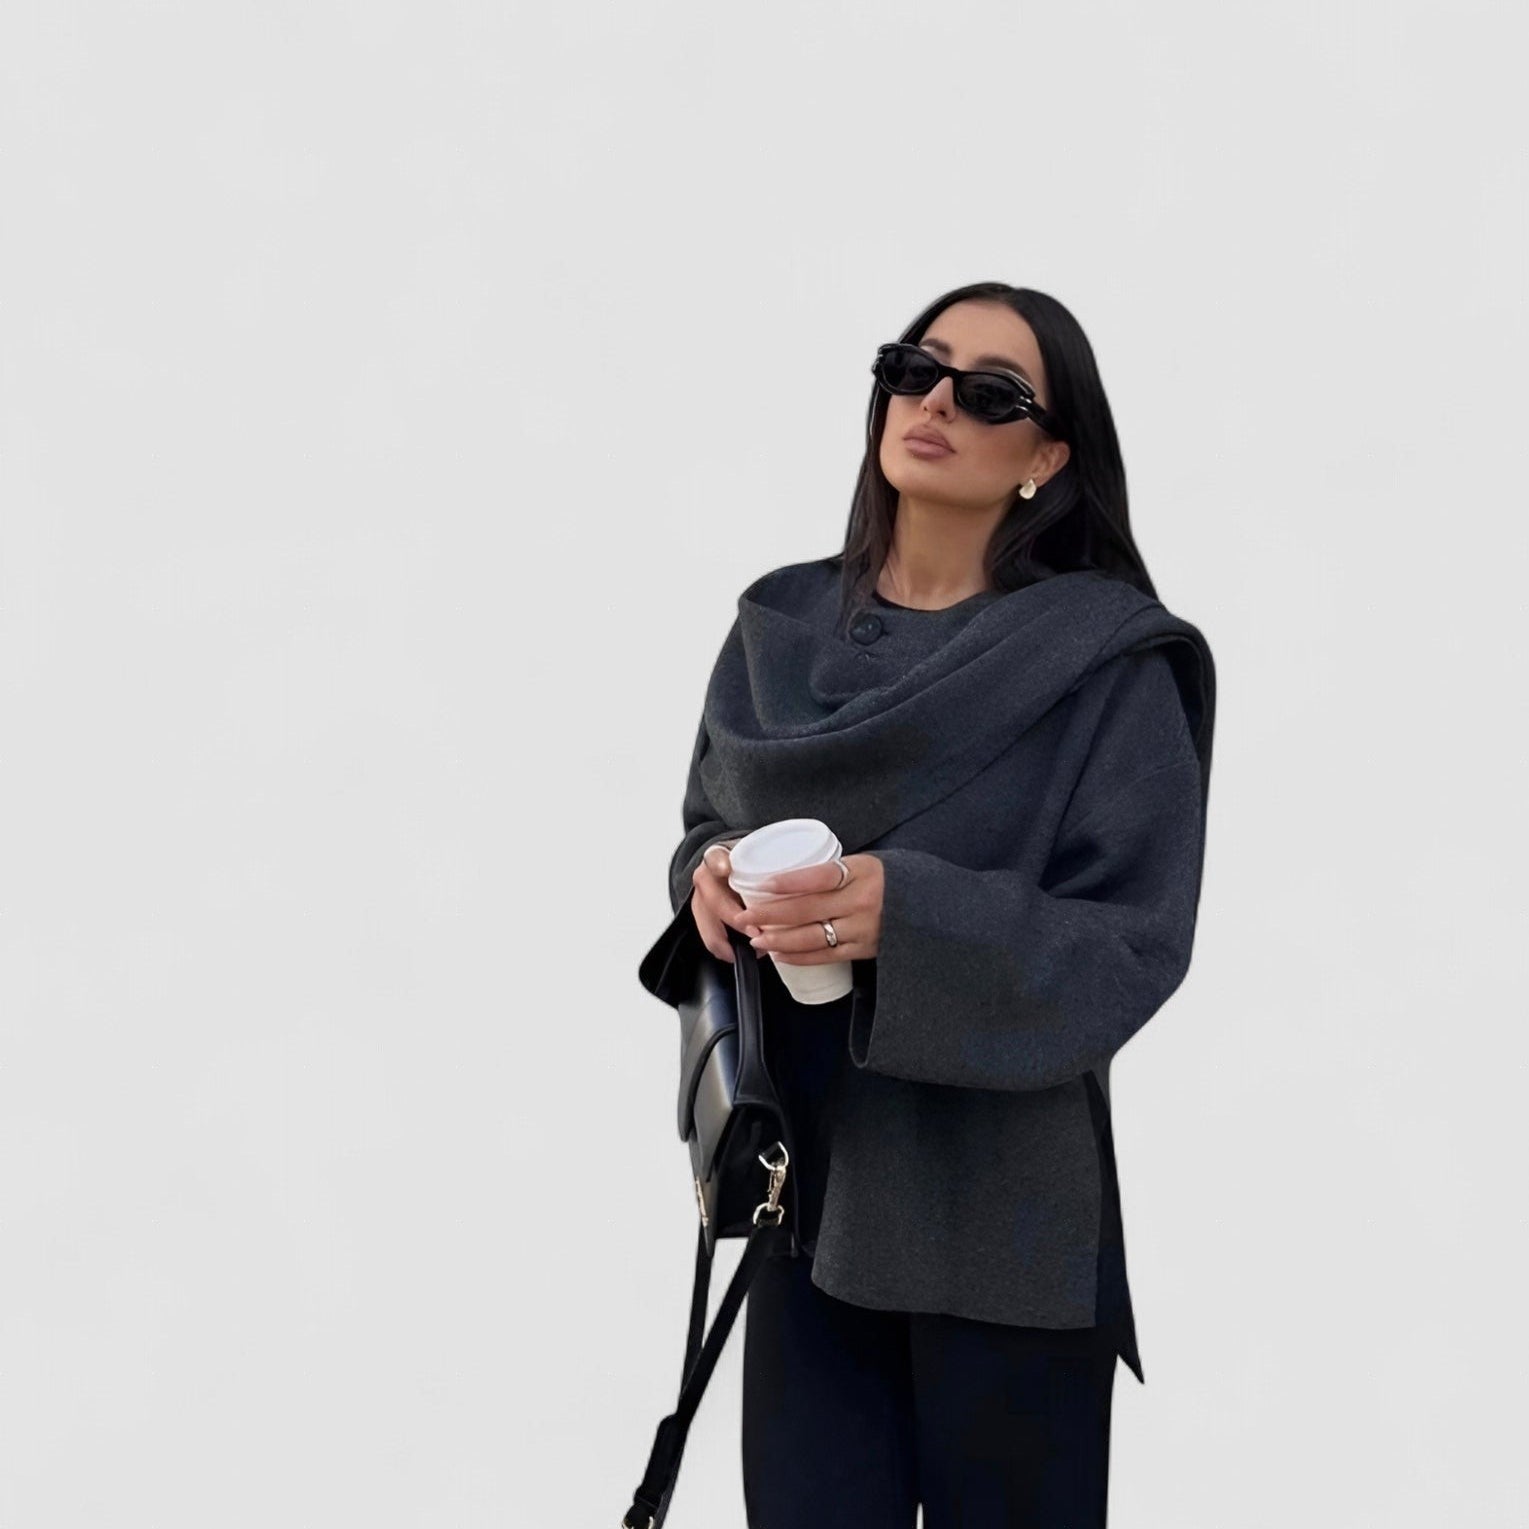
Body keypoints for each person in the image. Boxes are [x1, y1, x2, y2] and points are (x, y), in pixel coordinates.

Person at [658, 281, 1216, 1528]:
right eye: (914, 368)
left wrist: (903, 915)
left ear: (1047, 456)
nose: (934, 402)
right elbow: (705, 818)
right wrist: (706, 873)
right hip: (802, 1198)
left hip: (1003, 1224)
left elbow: (1132, 939)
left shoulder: (1104, 663)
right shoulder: (776, 627)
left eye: (989, 393)